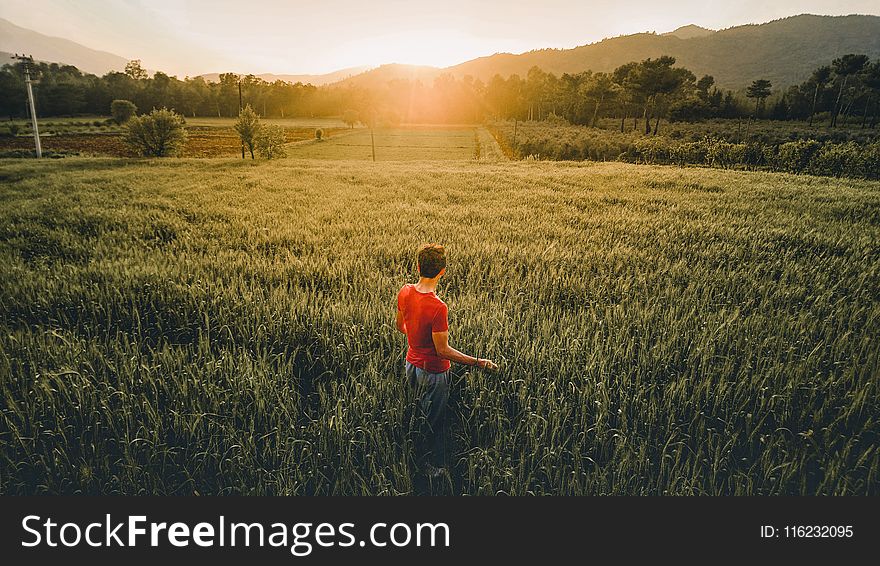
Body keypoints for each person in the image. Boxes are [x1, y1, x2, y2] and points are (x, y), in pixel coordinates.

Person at [395, 243, 498, 478]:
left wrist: (416, 338)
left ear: (418, 266)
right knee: (433, 421)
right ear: (442, 271)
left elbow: (400, 326)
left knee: (416, 411)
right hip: (433, 373)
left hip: (410, 364)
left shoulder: (404, 291)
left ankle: (408, 452)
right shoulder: (438, 307)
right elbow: (442, 350)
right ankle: (426, 467)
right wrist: (478, 362)